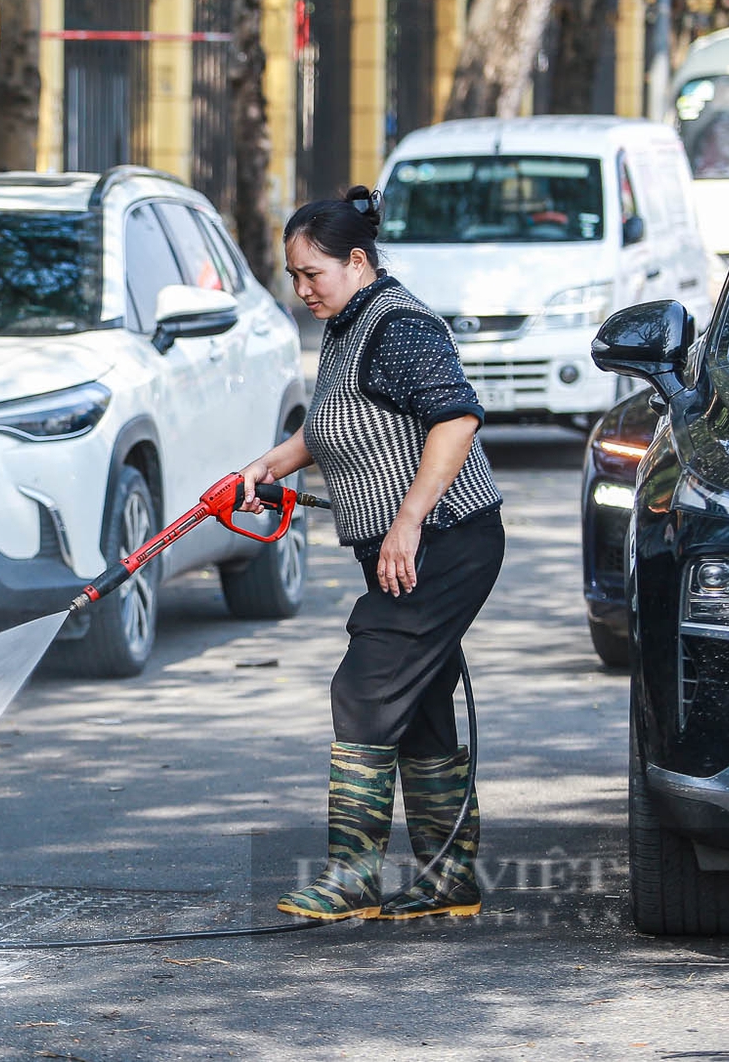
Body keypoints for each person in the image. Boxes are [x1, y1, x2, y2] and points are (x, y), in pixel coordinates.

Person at [238, 188, 503, 922]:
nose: (301, 289)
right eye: (292, 275)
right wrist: (266, 468)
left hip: (447, 541)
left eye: (311, 273)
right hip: (407, 547)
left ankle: (353, 875)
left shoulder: (400, 325)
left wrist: (409, 518)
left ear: (357, 261)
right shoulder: (347, 324)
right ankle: (449, 878)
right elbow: (330, 423)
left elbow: (457, 419)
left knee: (366, 684)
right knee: (415, 703)